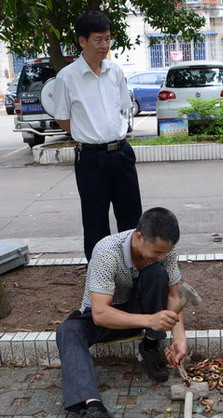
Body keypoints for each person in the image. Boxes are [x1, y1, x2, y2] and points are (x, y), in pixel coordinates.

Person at [56, 207, 187, 418]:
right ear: (138, 237)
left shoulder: (165, 252)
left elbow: (175, 297)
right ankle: (95, 411)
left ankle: (150, 346)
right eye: (156, 251)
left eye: (164, 252)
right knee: (67, 331)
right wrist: (150, 320)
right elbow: (100, 314)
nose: (160, 256)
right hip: (107, 316)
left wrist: (180, 338)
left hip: (141, 314)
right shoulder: (107, 251)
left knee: (157, 274)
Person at [53, 10, 142, 262]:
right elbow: (62, 117)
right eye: (98, 40)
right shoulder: (67, 77)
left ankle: (134, 274)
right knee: (95, 221)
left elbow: (122, 107)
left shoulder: (115, 72)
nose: (104, 45)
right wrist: (87, 134)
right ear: (83, 41)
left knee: (132, 218)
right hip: (91, 160)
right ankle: (100, 283)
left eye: (108, 39)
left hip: (122, 154)